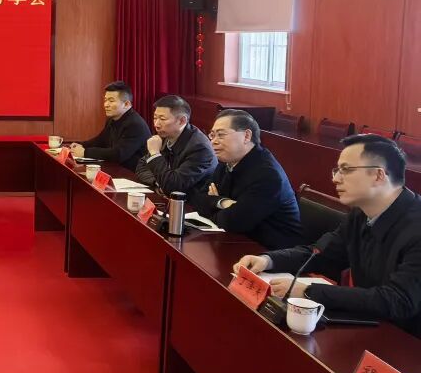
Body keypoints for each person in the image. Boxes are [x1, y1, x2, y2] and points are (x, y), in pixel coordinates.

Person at [234, 134, 421, 336]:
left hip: (407, 342)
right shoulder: (360, 213)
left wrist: (308, 291)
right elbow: (320, 253)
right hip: (372, 325)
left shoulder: (415, 226)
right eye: (337, 170)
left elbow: (398, 300)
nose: (335, 178)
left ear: (378, 175)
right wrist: (268, 260)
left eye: (346, 170)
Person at [189, 109, 303, 249]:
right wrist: (223, 202)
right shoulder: (227, 162)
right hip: (238, 240)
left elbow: (233, 222)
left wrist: (213, 204)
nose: (213, 141)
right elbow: (198, 199)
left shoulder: (268, 175)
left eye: (221, 135)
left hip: (271, 251)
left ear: (247, 136)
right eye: (212, 135)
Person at [134, 95, 216, 196]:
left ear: (182, 121)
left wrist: (155, 154)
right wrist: (158, 183)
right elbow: (141, 166)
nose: (156, 124)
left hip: (192, 202)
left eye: (162, 119)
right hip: (168, 197)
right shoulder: (165, 135)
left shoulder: (200, 148)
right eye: (155, 118)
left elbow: (174, 186)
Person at [70, 81, 152, 171]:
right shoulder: (112, 119)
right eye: (105, 100)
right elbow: (100, 140)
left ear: (126, 104)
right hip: (118, 169)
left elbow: (119, 154)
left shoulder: (135, 124)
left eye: (111, 101)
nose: (106, 105)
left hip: (134, 174)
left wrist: (85, 152)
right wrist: (80, 145)